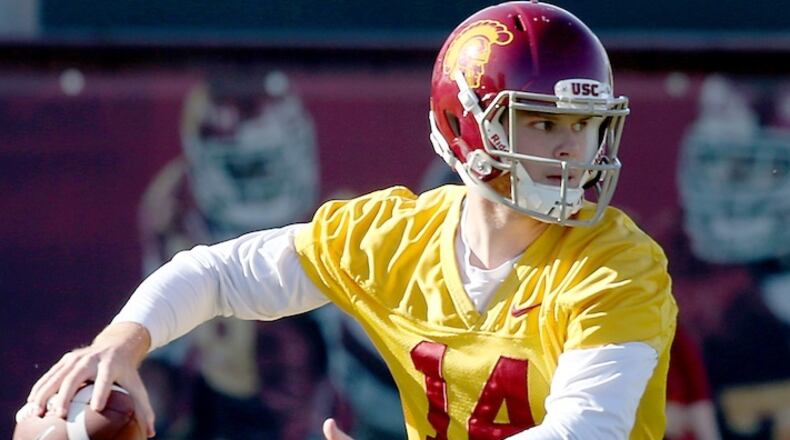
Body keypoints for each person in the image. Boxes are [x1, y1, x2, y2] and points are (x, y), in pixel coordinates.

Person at [20, 2, 677, 439]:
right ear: (465, 126)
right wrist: (122, 345)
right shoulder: (393, 239)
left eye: (585, 127)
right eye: (542, 122)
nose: (571, 149)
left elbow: (586, 430)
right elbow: (214, 273)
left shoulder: (617, 266)